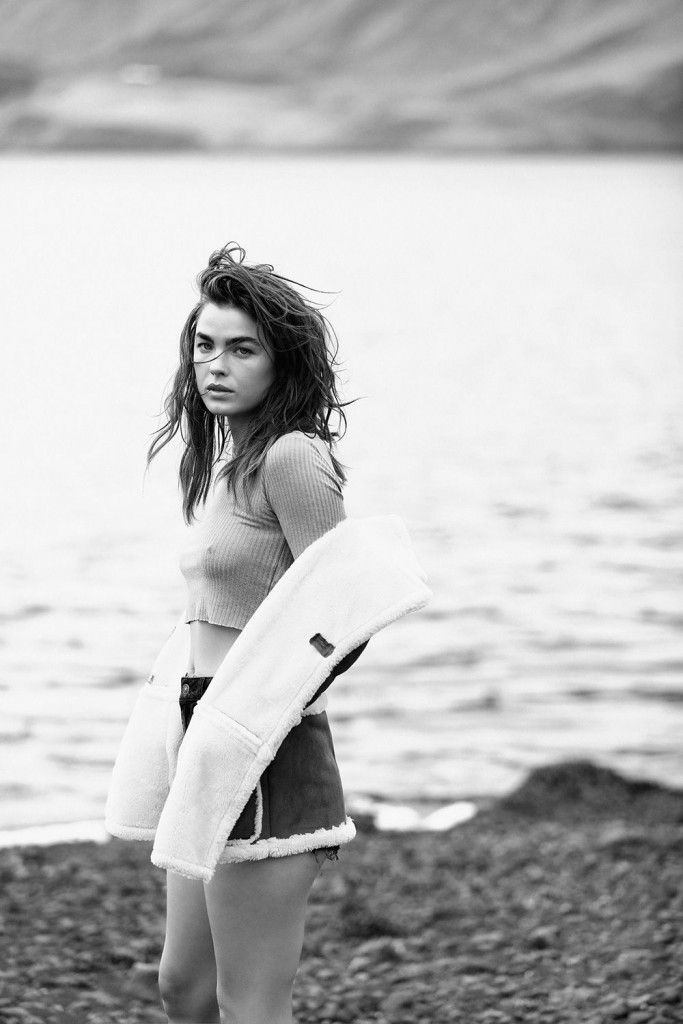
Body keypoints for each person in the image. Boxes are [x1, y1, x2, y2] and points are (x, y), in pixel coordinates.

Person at [145, 241, 362, 1024]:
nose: (216, 365)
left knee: (249, 1004)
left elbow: (346, 616)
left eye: (242, 349)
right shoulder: (233, 460)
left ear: (281, 362)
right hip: (202, 731)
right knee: (185, 989)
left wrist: (259, 709)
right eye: (205, 345)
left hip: (263, 746)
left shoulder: (292, 459)